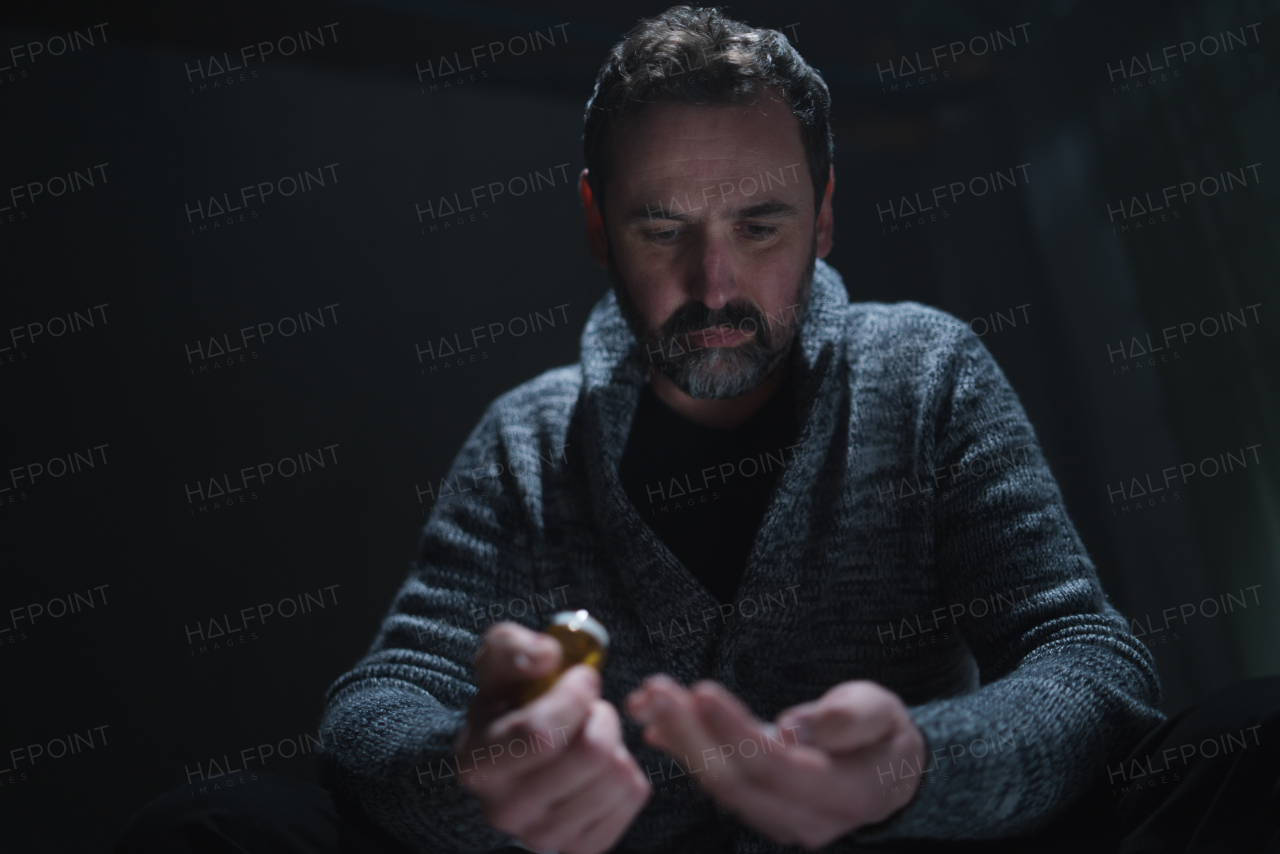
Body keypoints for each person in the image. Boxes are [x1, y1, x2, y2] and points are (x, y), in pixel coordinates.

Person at [114, 6, 1280, 853]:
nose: (712, 284)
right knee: (212, 828)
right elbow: (375, 704)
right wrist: (476, 766)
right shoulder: (526, 441)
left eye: (760, 223)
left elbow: (1089, 661)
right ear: (593, 221)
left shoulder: (922, 371)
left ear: (824, 214)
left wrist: (916, 763)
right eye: (660, 227)